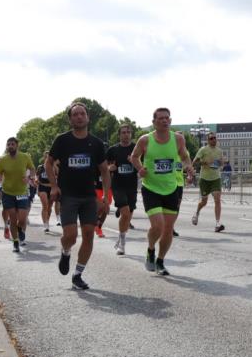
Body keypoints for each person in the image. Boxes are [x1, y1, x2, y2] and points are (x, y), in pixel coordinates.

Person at [46, 102, 110, 290]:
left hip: (89, 196)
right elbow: (49, 164)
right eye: (75, 114)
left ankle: (78, 274)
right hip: (69, 196)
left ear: (88, 118)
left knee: (89, 235)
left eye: (82, 114)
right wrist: (54, 186)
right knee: (71, 236)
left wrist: (105, 197)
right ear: (70, 119)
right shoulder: (62, 140)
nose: (79, 117)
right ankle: (65, 252)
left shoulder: (96, 143)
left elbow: (105, 170)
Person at [130, 107, 194, 276]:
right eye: (160, 118)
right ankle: (150, 249)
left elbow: (185, 156)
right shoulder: (145, 140)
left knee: (168, 229)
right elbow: (134, 156)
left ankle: (160, 261)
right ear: (154, 122)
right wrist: (140, 168)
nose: (164, 121)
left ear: (170, 121)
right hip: (151, 187)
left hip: (171, 188)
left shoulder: (178, 139)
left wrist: (188, 166)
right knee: (157, 226)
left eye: (167, 118)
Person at [0, 137, 36, 253]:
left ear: (17, 145)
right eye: (8, 144)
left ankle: (20, 229)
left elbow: (32, 169)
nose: (10, 146)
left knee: (23, 219)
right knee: (13, 219)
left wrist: (29, 177)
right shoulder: (3, 160)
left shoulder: (25, 157)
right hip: (8, 192)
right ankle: (15, 242)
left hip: (22, 192)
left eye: (12, 144)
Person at [106, 124, 138, 255]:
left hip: (131, 185)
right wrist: (109, 168)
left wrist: (134, 162)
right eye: (123, 132)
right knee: (125, 213)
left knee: (128, 215)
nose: (126, 134)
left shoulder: (136, 149)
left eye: (128, 132)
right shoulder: (113, 150)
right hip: (118, 185)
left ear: (131, 134)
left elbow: (144, 164)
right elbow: (104, 166)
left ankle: (121, 237)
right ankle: (123, 244)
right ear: (119, 135)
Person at [191, 132, 225, 232]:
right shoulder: (203, 150)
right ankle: (196, 213)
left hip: (216, 178)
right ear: (208, 140)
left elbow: (221, 163)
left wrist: (220, 163)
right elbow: (194, 162)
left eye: (215, 138)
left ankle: (217, 223)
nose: (213, 140)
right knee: (204, 202)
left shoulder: (219, 151)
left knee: (217, 199)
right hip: (204, 179)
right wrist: (204, 163)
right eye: (211, 138)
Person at [35, 151, 56, 232]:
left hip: (51, 188)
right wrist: (36, 180)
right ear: (44, 157)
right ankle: (45, 225)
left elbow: (58, 176)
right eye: (46, 156)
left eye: (49, 156)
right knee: (45, 205)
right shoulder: (40, 167)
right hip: (42, 187)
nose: (47, 158)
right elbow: (36, 176)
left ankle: (47, 221)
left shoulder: (53, 167)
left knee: (49, 207)